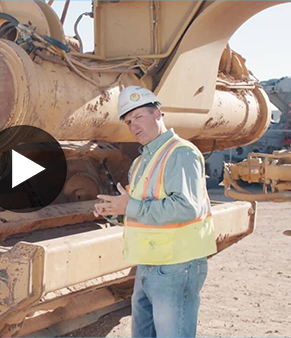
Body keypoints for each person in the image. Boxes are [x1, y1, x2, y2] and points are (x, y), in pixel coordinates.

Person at [94, 86, 217, 337]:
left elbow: (186, 208)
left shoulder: (180, 153)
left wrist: (129, 206)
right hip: (148, 264)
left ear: (158, 113)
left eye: (139, 117)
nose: (134, 126)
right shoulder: (141, 161)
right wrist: (115, 211)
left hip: (176, 266)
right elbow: (141, 209)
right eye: (129, 122)